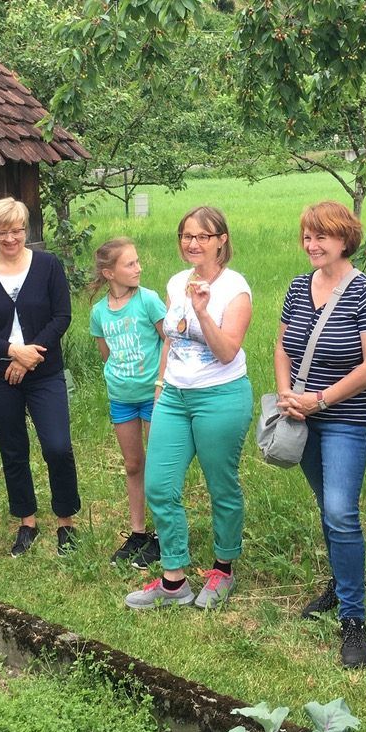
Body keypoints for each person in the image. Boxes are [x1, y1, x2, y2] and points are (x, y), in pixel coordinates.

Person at [275, 201, 366, 668]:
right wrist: (287, 394)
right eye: (307, 236)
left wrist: (320, 400)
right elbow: (282, 346)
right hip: (301, 416)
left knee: (342, 511)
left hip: (347, 416)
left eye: (321, 237)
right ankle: (341, 582)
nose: (312, 245)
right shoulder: (297, 287)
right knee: (327, 507)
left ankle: (354, 620)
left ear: (345, 239)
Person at [124, 206, 253, 612]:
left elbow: (227, 351)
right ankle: (174, 580)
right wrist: (160, 384)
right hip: (175, 397)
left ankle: (222, 569)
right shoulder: (177, 281)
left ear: (221, 240)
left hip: (221, 396)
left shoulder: (236, 289)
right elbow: (169, 339)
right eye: (186, 236)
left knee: (221, 486)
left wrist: (201, 311)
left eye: (202, 236)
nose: (192, 243)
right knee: (160, 485)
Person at [0, 197, 80, 557]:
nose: (9, 238)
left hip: (44, 372)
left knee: (57, 446)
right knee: (13, 449)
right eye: (1, 232)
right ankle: (26, 522)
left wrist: (29, 356)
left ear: (25, 230)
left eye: (15, 230)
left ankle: (66, 521)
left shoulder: (48, 266)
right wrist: (13, 351)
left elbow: (61, 317)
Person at [89, 237, 165, 569]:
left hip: (153, 396)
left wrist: (160, 383)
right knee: (133, 464)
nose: (138, 268)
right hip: (121, 398)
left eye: (137, 262)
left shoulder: (148, 300)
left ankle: (164, 535)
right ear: (109, 273)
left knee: (159, 467)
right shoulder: (99, 312)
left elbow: (169, 342)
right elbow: (106, 354)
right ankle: (138, 533)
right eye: (130, 264)